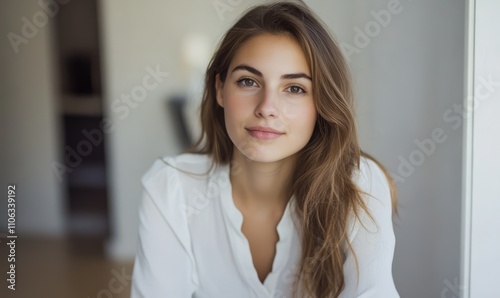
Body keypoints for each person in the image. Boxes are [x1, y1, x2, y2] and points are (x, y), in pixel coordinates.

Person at [131, 1, 399, 297]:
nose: (267, 108)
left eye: (295, 88)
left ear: (321, 103)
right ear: (220, 89)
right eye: (248, 81)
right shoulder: (171, 189)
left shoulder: (360, 185)